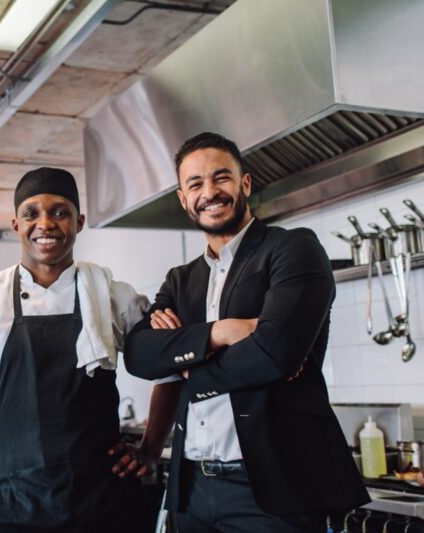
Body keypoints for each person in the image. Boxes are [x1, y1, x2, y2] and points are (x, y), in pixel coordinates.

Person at [0, 167, 178, 533]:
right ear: (16, 224)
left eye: (60, 212)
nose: (46, 223)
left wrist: (150, 448)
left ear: (79, 222)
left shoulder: (116, 296)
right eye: (32, 213)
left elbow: (169, 367)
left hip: (108, 504)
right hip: (22, 505)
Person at [124, 132, 369, 532]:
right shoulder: (180, 280)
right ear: (184, 200)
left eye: (221, 178)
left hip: (273, 492)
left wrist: (188, 366)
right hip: (191, 489)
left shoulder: (292, 249)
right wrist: (220, 333)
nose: (210, 192)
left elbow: (275, 352)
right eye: (196, 184)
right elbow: (139, 355)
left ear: (245, 184)